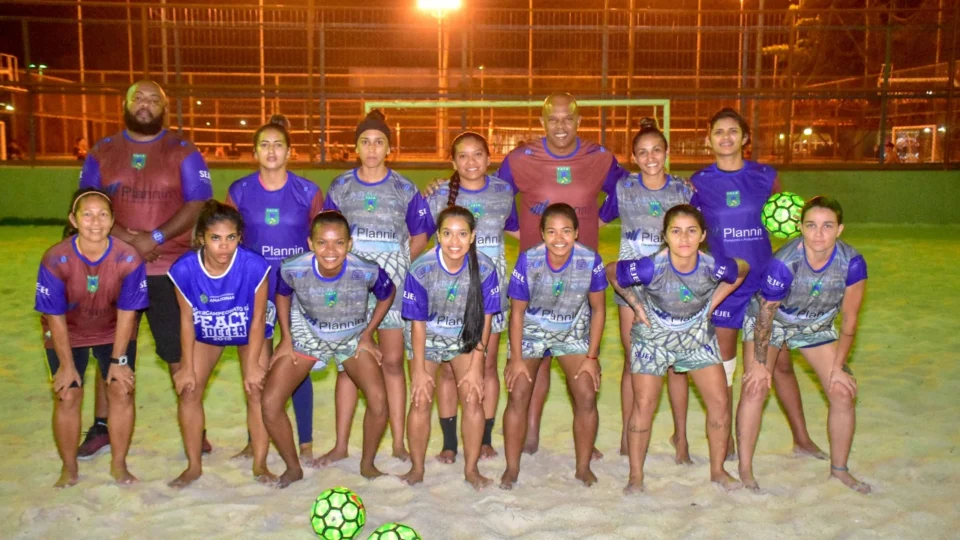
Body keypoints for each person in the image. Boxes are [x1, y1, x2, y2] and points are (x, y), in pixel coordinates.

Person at [78, 80, 213, 460]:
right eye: (138, 97)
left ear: (164, 108)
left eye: (154, 99)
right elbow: (86, 201)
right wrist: (126, 238)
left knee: (178, 352)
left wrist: (154, 237)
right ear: (125, 104)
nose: (145, 104)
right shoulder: (103, 151)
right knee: (109, 350)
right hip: (111, 269)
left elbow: (199, 203)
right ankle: (102, 426)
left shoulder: (183, 150)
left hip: (166, 270)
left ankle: (195, 428)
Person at [497, 93, 627, 457]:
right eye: (552, 119)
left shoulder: (598, 157)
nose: (560, 126)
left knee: (579, 361)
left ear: (579, 121)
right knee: (536, 362)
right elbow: (496, 195)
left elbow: (627, 188)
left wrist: (600, 219)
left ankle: (585, 440)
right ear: (542, 122)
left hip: (580, 280)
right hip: (535, 278)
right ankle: (530, 432)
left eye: (567, 118)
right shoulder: (520, 158)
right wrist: (516, 229)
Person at [689, 107, 824, 460]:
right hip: (726, 286)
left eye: (733, 131)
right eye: (718, 132)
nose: (726, 137)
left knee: (779, 365)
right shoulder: (699, 182)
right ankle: (727, 441)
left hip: (764, 285)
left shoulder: (765, 176)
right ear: (708, 140)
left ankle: (802, 438)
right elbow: (689, 231)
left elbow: (788, 221)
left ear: (745, 138)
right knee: (723, 370)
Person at [607, 204, 748, 493]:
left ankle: (718, 470)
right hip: (653, 338)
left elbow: (742, 269)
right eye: (676, 231)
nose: (684, 238)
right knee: (644, 405)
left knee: (720, 402)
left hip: (696, 336)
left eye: (691, 231)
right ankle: (635, 476)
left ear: (702, 235)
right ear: (665, 236)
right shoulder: (650, 267)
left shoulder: (712, 266)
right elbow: (611, 271)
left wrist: (712, 304)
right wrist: (636, 306)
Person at [738, 197, 871, 494]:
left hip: (816, 325)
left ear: (840, 229)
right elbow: (765, 316)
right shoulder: (784, 263)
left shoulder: (852, 262)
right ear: (800, 228)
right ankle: (745, 469)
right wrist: (758, 364)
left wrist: (839, 367)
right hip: (771, 322)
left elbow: (850, 320)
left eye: (827, 226)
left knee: (843, 391)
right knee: (755, 387)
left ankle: (839, 470)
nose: (819, 234)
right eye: (811, 225)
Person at [322, 110, 430, 463]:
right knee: (348, 367)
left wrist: (398, 263)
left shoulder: (404, 187)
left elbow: (421, 233)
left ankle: (397, 442)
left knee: (394, 363)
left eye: (379, 142)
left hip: (393, 290)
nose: (372, 148)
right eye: (365, 142)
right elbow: (328, 234)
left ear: (389, 148)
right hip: (352, 290)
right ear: (356, 148)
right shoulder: (341, 187)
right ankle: (341, 445)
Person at [262, 211, 395, 488]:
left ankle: (368, 464)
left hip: (351, 335)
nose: (330, 250)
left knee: (379, 400)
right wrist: (286, 337)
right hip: (309, 334)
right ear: (310, 243)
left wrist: (368, 334)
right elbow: (283, 293)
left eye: (339, 243)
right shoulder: (292, 267)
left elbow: (388, 292)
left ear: (350, 244)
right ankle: (293, 468)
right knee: (270, 403)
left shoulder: (367, 269)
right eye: (322, 242)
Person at [225, 115, 324, 463]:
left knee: (295, 361)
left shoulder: (308, 191)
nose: (271, 151)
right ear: (254, 152)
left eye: (278, 145)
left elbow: (321, 242)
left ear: (289, 152)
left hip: (296, 290)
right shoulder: (239, 190)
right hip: (253, 290)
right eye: (264, 145)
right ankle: (256, 440)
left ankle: (305, 441)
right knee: (256, 365)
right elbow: (228, 241)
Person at [35, 189, 148, 487]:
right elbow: (55, 315)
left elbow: (128, 312)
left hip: (113, 328)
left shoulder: (129, 257)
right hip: (68, 331)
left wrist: (118, 361)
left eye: (103, 215)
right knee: (68, 394)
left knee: (121, 390)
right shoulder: (55, 259)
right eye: (87, 214)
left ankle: (119, 465)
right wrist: (66, 365)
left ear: (112, 220)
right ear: (73, 220)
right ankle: (69, 467)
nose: (95, 222)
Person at [419, 131, 519, 464]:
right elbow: (420, 239)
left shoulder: (503, 192)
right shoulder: (438, 195)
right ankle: (450, 443)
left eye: (478, 154)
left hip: (490, 294)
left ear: (489, 159)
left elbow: (517, 229)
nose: (471, 161)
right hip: (447, 295)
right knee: (448, 370)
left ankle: (485, 438)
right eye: (462, 155)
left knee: (486, 366)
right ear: (452, 161)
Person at [598, 118, 695, 461]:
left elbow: (698, 232)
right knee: (633, 360)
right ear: (634, 157)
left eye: (656, 150)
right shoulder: (623, 189)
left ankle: (680, 437)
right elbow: (596, 221)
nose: (650, 157)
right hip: (631, 285)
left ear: (667, 152)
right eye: (643, 152)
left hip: (674, 285)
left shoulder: (683, 191)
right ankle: (629, 434)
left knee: (676, 363)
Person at [166, 201, 272, 487]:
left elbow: (258, 318)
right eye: (215, 238)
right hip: (208, 329)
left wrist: (253, 365)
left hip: (247, 328)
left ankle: (260, 463)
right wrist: (187, 366)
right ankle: (193, 467)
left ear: (240, 237)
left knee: (256, 389)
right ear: (202, 238)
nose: (224, 246)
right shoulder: (184, 269)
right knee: (189, 391)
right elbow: (186, 320)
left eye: (231, 237)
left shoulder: (254, 265)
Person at [500, 203, 606, 489]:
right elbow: (517, 313)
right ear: (542, 234)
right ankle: (512, 468)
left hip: (572, 330)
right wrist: (516, 359)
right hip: (532, 330)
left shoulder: (590, 260)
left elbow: (598, 309)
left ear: (577, 232)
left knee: (586, 394)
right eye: (552, 231)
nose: (559, 238)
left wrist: (592, 357)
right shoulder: (528, 260)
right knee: (518, 393)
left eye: (566, 231)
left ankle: (582, 467)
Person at [400, 206, 502, 489]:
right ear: (438, 236)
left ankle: (471, 469)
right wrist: (419, 369)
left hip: (464, 339)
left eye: (462, 234)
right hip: (427, 338)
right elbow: (417, 324)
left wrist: (476, 365)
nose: (454, 241)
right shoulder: (421, 269)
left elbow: (486, 320)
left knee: (472, 396)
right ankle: (417, 468)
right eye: (447, 234)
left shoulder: (485, 269)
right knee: (420, 398)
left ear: (473, 236)